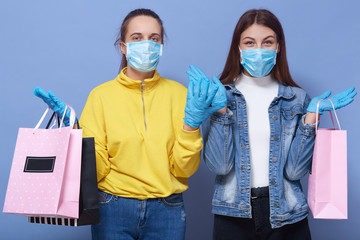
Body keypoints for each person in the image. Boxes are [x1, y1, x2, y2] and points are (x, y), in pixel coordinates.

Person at [34, 8, 223, 240]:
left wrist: (192, 125)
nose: (147, 44)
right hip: (113, 207)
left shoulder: (181, 95)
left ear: (161, 46)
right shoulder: (101, 96)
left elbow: (184, 170)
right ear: (123, 46)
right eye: (137, 37)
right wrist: (76, 131)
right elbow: (98, 170)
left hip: (167, 210)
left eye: (154, 38)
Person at [186, 9, 356, 240]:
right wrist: (221, 111)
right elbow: (220, 167)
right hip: (233, 214)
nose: (258, 50)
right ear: (239, 47)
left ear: (278, 47)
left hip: (287, 213)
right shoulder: (220, 96)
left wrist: (310, 117)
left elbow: (295, 171)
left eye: (267, 42)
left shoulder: (296, 99)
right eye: (249, 42)